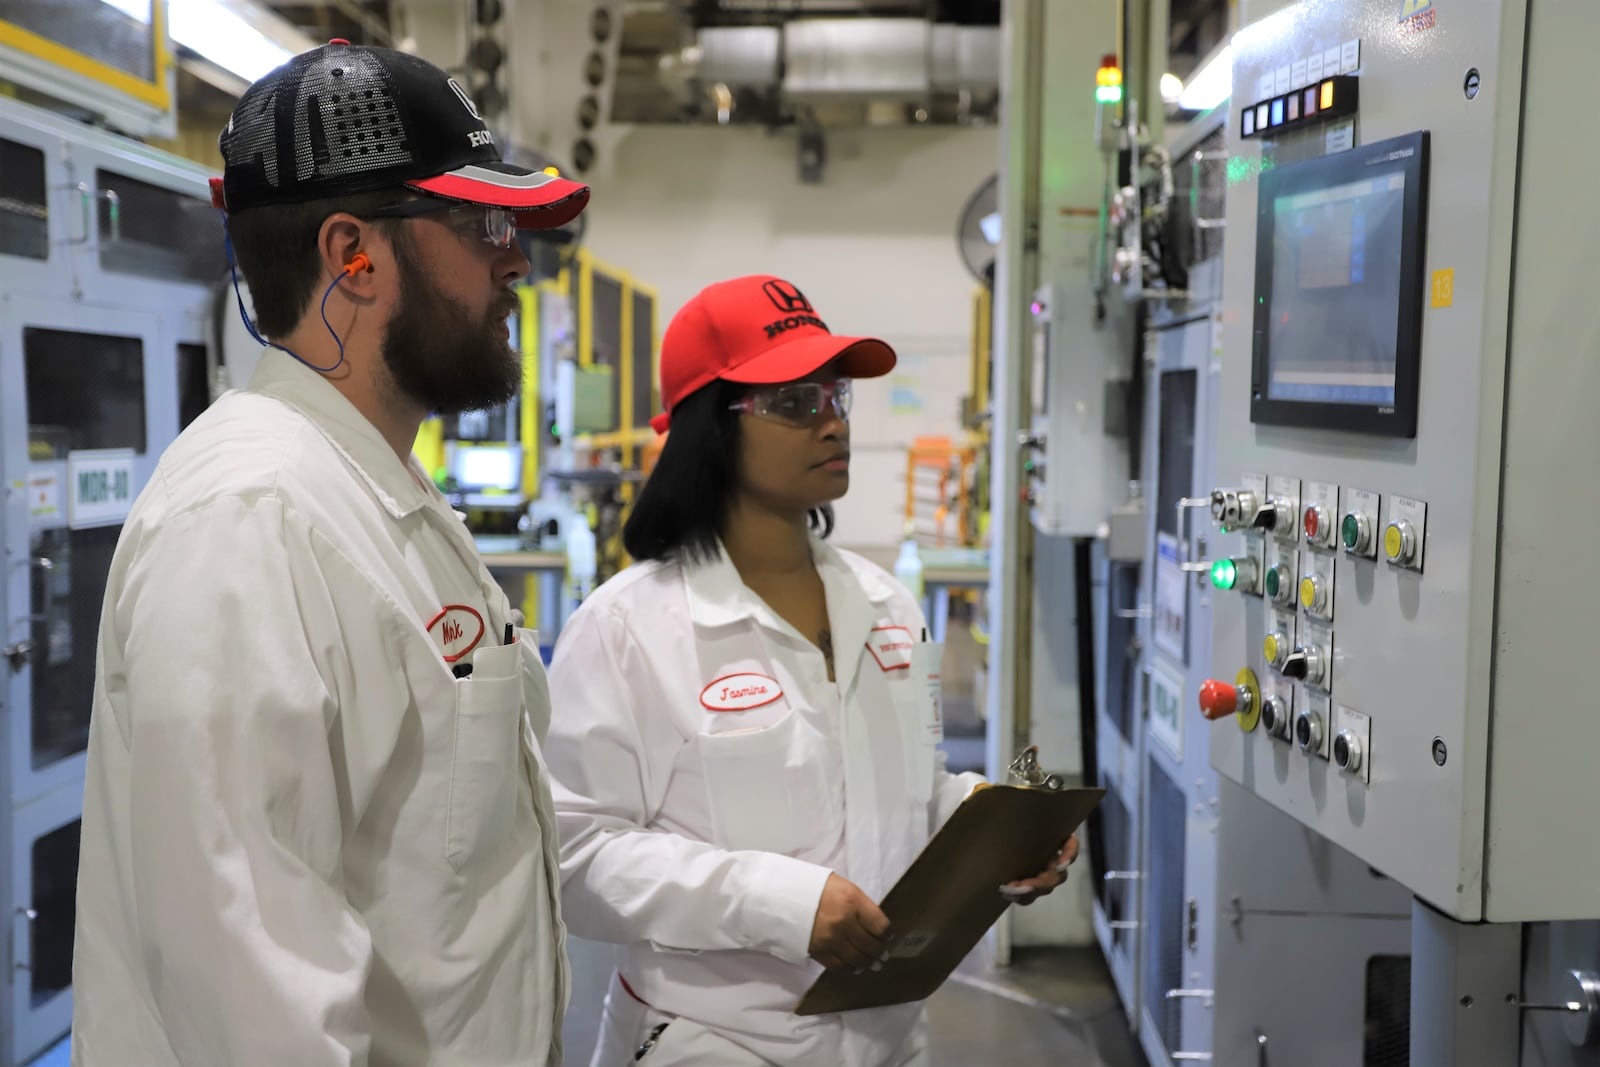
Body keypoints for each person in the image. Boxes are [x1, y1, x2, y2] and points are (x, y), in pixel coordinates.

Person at [70, 40, 590, 1066]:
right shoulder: (250, 517)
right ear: (353, 253)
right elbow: (254, 994)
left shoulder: (363, 487)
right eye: (484, 222)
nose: (514, 258)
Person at [542, 275, 1079, 1067]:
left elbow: (901, 797)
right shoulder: (627, 630)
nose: (832, 423)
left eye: (835, 398)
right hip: (712, 1041)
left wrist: (993, 828)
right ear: (710, 428)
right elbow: (576, 857)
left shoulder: (886, 606)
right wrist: (781, 905)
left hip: (887, 1034)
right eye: (794, 402)